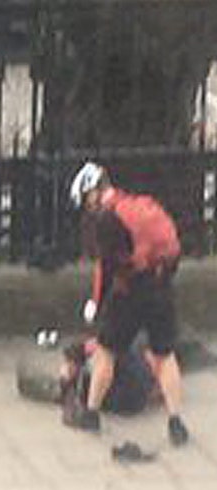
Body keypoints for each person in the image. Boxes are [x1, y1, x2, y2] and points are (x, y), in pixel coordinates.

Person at [69, 161, 189, 445]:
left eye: (85, 201)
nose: (87, 207)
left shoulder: (108, 218)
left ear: (93, 192)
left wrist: (96, 302)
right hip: (160, 286)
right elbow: (172, 250)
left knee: (106, 351)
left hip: (129, 291)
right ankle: (176, 423)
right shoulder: (139, 205)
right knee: (164, 354)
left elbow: (107, 265)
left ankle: (90, 414)